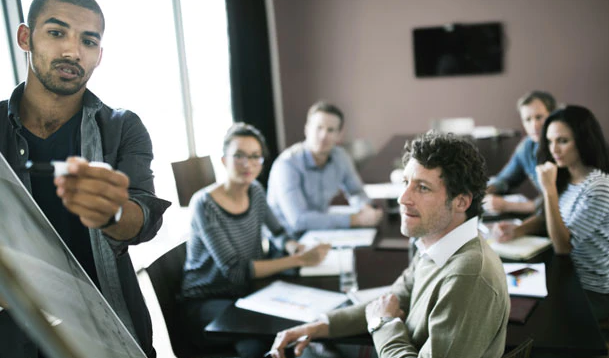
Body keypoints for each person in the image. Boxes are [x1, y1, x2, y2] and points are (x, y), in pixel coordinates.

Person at [0, 0, 170, 356]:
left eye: (88, 41)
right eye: (57, 32)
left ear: (99, 55)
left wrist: (114, 213)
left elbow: (144, 218)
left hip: (110, 328)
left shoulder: (123, 127)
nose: (72, 51)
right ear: (25, 37)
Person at [269, 132, 510, 358]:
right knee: (314, 346)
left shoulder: (468, 276)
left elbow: (384, 313)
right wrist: (321, 325)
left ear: (461, 202)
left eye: (422, 188)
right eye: (405, 182)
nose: (402, 198)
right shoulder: (434, 242)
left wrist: (382, 324)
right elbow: (396, 297)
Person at [179, 123, 331, 358]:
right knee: (260, 345)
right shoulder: (204, 204)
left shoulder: (255, 191)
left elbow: (279, 233)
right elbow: (236, 270)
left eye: (254, 157)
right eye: (238, 156)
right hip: (208, 303)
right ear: (223, 160)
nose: (247, 164)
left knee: (295, 329)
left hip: (247, 295)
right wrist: (299, 259)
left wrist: (296, 247)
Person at [493, 106, 609, 321]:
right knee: (499, 288)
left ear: (583, 141)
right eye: (550, 141)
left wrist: (549, 190)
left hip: (591, 291)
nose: (554, 149)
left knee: (523, 315)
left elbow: (563, 246)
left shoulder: (599, 186)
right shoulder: (568, 176)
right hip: (564, 276)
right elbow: (550, 220)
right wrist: (517, 230)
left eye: (563, 141)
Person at [267, 101, 383, 237]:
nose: (323, 136)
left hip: (320, 232)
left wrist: (366, 209)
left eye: (330, 130)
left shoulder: (340, 156)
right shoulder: (287, 164)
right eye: (319, 128)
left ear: (339, 135)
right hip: (289, 240)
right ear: (307, 129)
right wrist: (355, 219)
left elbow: (356, 191)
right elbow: (299, 221)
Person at [484, 91, 557, 214]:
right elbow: (505, 179)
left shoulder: (562, 150)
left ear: (553, 116)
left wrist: (507, 205)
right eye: (527, 120)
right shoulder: (527, 146)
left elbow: (559, 199)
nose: (534, 125)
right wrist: (482, 192)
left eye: (539, 117)